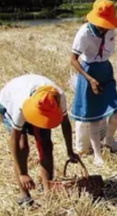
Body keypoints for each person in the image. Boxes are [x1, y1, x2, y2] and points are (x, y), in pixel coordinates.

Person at [0, 75, 79, 206]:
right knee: (23, 146)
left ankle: (47, 188)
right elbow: (14, 140)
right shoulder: (19, 105)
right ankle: (24, 195)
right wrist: (22, 173)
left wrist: (70, 151)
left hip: (36, 101)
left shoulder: (58, 97)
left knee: (46, 144)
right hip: (8, 100)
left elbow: (65, 124)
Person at [70, 0, 117, 166]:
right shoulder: (84, 33)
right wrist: (90, 79)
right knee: (93, 117)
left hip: (105, 71)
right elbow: (73, 60)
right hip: (89, 71)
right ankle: (97, 154)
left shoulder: (111, 31)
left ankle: (109, 139)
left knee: (116, 111)